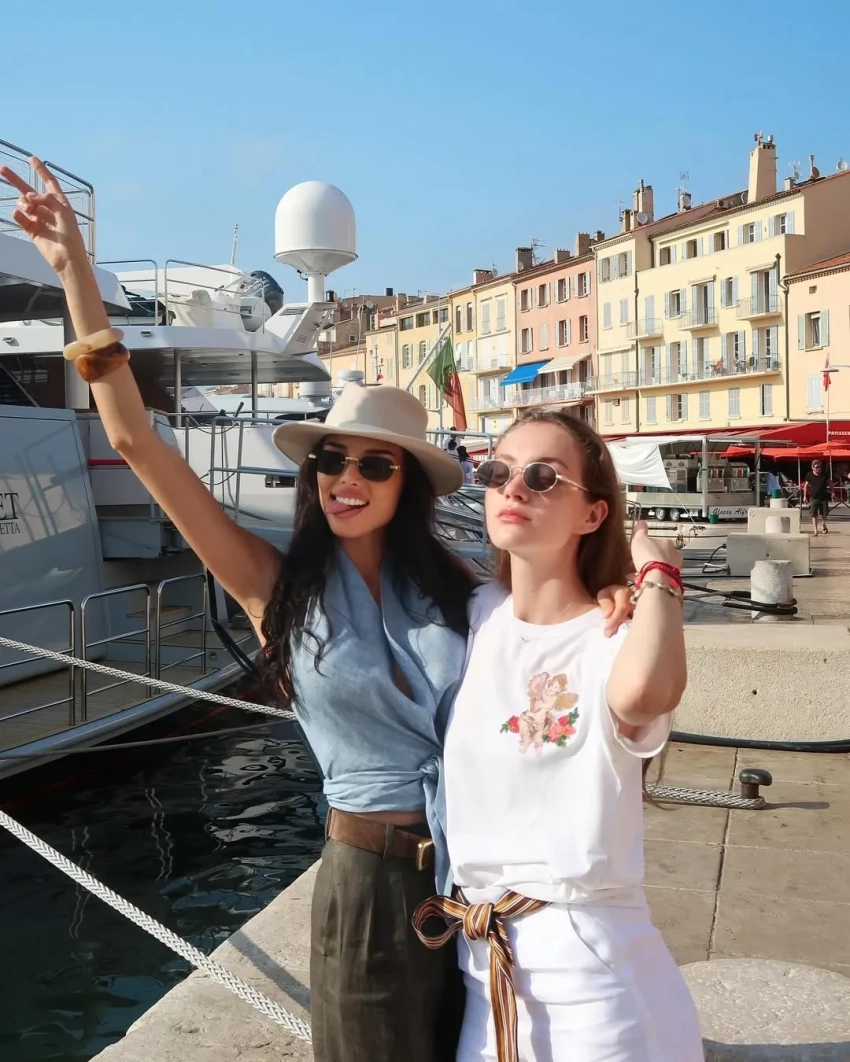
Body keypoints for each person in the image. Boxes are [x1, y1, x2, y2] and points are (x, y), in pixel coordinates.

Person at [3, 154, 636, 1061]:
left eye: (374, 464)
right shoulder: (274, 585)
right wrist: (76, 273)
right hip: (366, 881)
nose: (346, 477)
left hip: (480, 874)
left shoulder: (461, 591)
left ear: (406, 484)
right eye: (330, 460)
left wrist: (621, 586)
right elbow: (136, 442)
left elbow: (554, 612)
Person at [415, 409, 703, 1062]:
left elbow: (645, 695)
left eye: (543, 477)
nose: (513, 488)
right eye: (498, 472)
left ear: (593, 514)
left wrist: (657, 576)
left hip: (594, 990)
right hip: (485, 976)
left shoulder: (611, 639)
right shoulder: (477, 617)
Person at [804, 458, 830, 535]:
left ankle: (823, 524)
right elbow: (806, 486)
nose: (818, 468)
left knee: (825, 513)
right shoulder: (809, 475)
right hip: (813, 497)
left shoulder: (825, 474)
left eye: (819, 467)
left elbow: (830, 482)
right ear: (812, 468)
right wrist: (805, 496)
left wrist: (833, 492)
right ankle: (815, 530)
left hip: (823, 497)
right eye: (816, 467)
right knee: (814, 514)